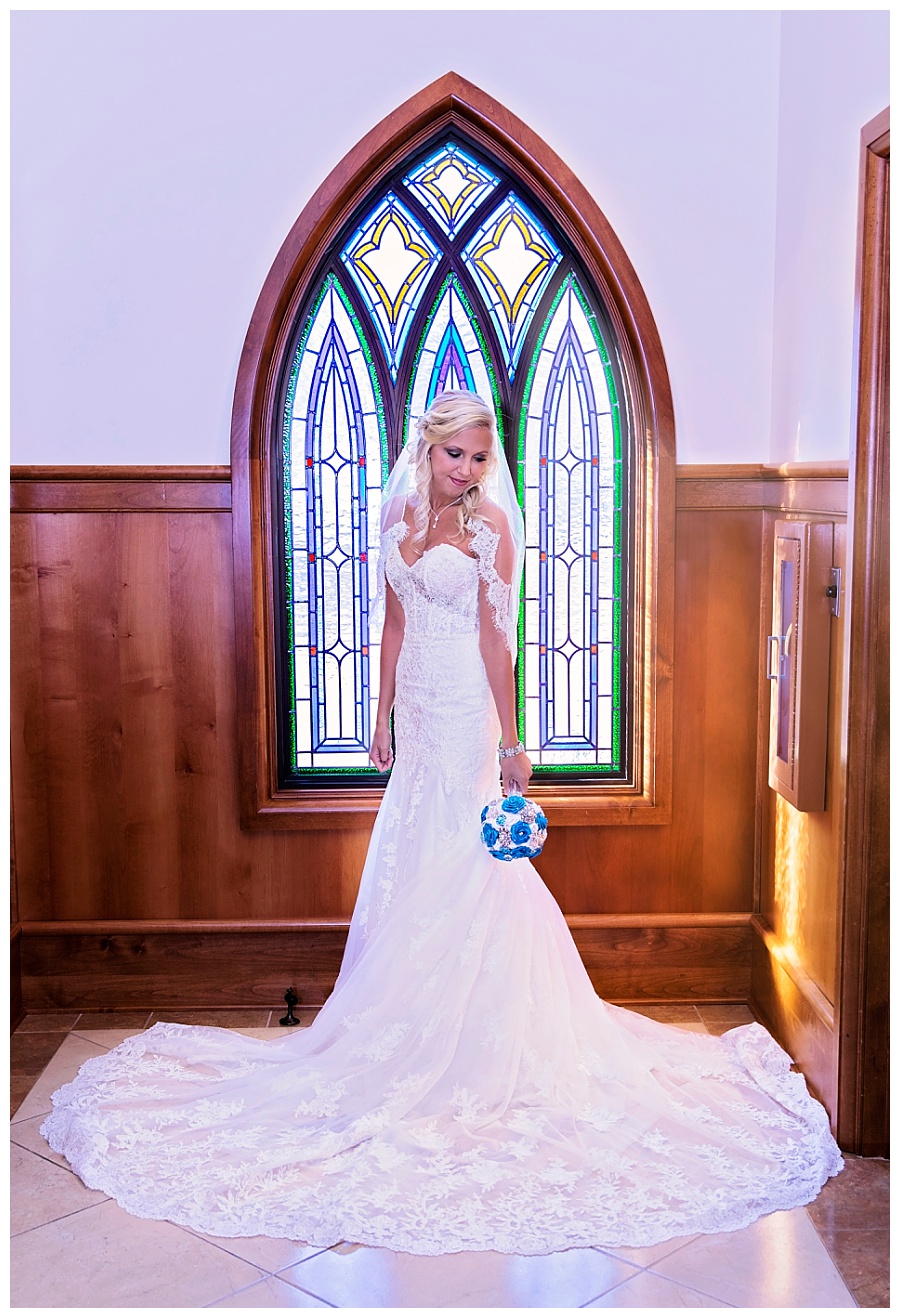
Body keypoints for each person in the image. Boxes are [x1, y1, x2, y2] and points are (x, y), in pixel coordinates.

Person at [41, 391, 842, 1255]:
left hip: (466, 708)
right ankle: (396, 1031)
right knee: (412, 855)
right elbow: (389, 618)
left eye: (478, 457)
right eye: (454, 454)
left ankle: (479, 1046)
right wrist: (379, 714)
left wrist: (513, 737)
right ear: (424, 450)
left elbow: (501, 639)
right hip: (416, 709)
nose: (466, 470)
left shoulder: (491, 522)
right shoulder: (397, 510)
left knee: (471, 862)